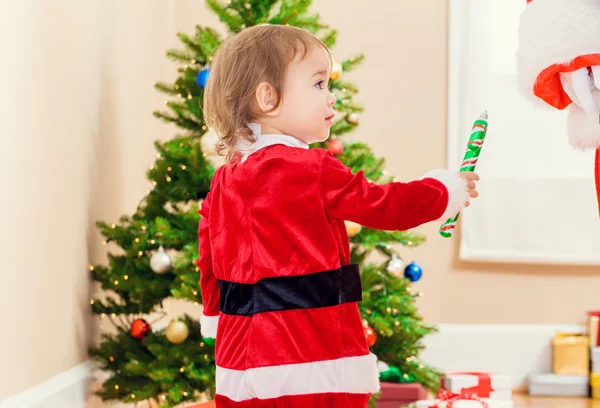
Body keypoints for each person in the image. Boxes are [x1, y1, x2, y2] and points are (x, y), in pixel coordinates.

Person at [197, 24, 479, 408]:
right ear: (267, 97)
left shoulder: (226, 177)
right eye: (317, 85)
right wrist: (445, 191)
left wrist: (214, 314)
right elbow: (385, 205)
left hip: (239, 359)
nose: (332, 99)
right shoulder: (311, 168)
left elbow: (208, 259)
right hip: (310, 352)